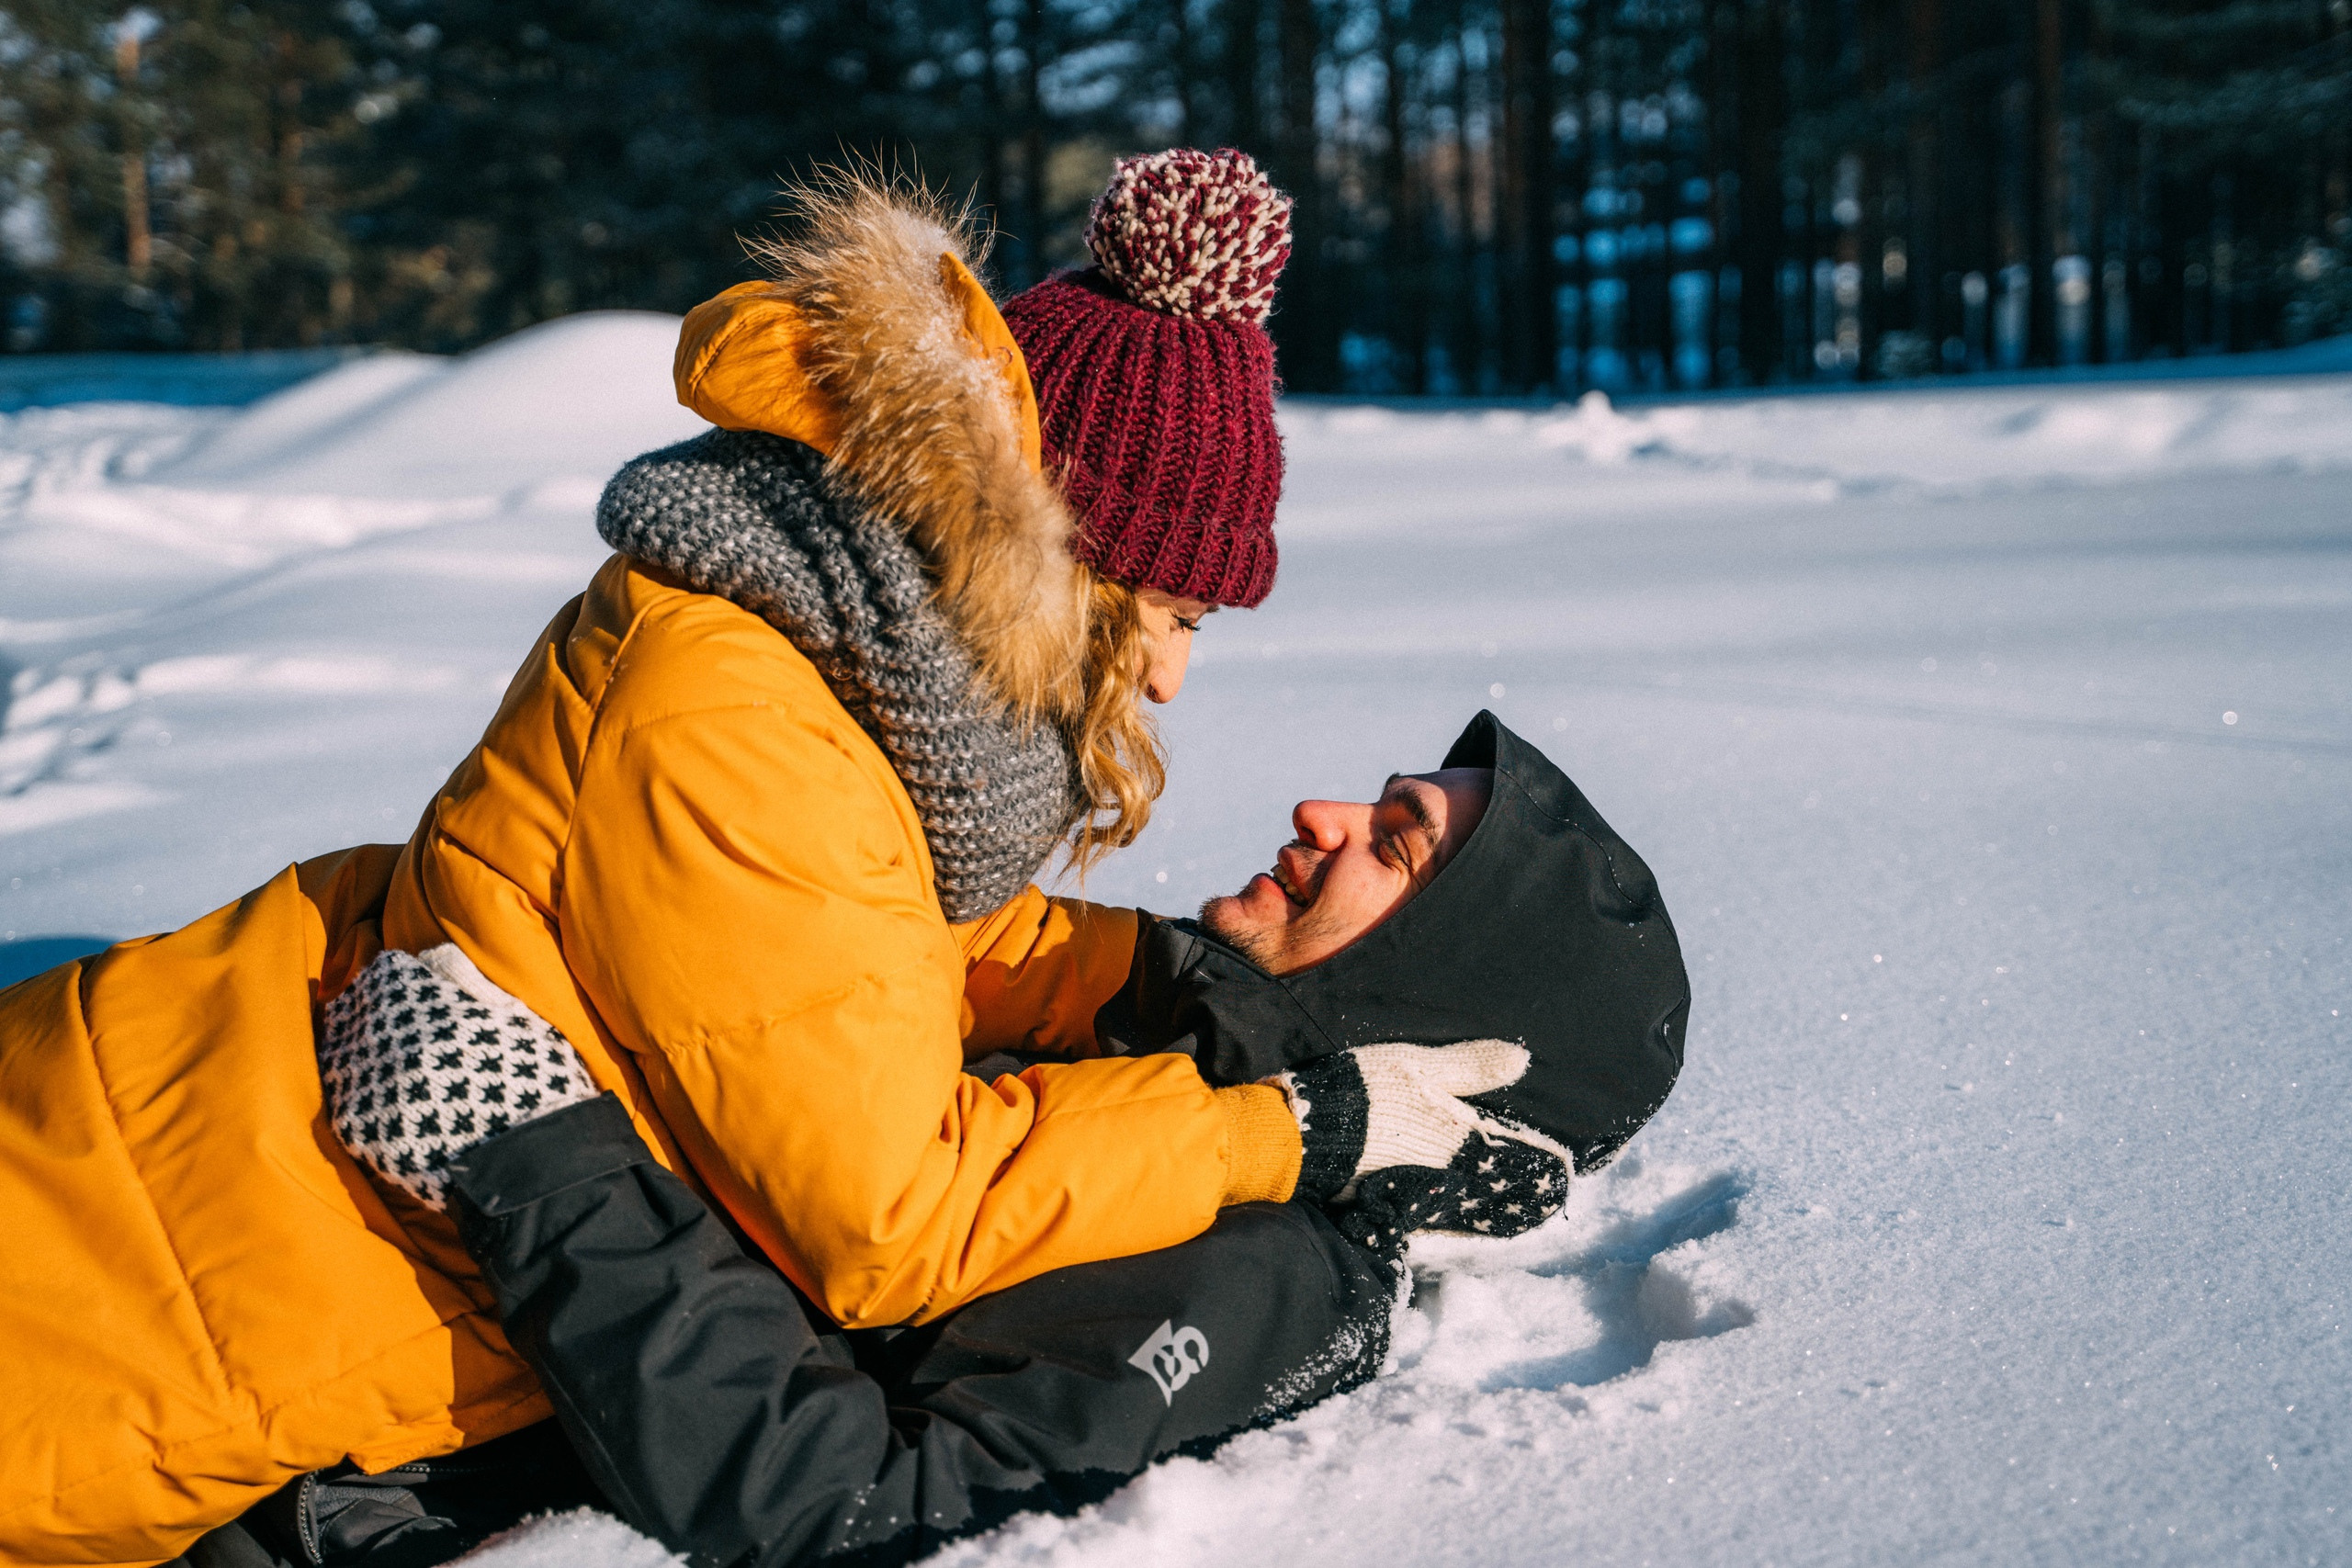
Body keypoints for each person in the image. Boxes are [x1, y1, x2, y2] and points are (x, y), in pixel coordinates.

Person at [1, 150, 1332, 1565]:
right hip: (118, 1303)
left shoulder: (839, 676)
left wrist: (1147, 972)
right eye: (1172, 614)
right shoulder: (741, 721)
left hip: (205, 1180)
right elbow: (889, 1218)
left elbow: (855, 945)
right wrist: (1290, 1133)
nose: (1176, 680)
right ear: (1055, 568)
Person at [198, 711, 1688, 1567]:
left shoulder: (1266, 1273)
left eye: (1396, 838)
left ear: (1447, 1002)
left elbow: (849, 1510)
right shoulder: (1174, 1048)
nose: (1322, 810)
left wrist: (532, 1153)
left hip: (323, 1499)